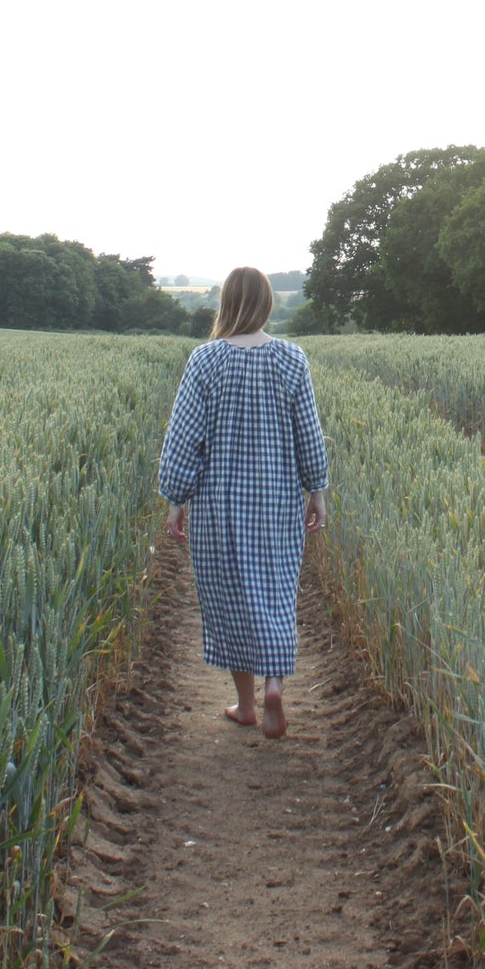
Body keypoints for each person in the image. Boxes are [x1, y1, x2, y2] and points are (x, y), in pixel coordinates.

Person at [158, 265, 328, 739]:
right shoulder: (292, 359)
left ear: (226, 304)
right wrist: (317, 491)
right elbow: (308, 435)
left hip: (219, 504)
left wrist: (176, 498)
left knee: (229, 599)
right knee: (274, 592)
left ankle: (247, 704)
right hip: (277, 503)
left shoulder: (205, 361)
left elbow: (184, 437)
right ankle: (276, 682)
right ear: (268, 304)